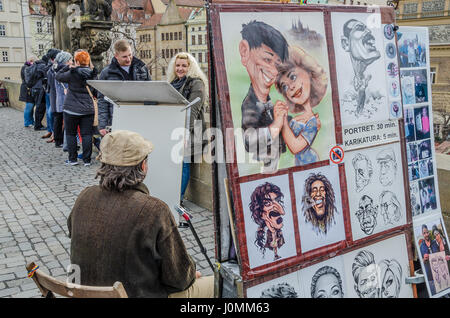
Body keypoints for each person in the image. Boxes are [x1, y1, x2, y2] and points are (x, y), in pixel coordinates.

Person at [67, 129, 214, 298]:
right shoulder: (154, 210)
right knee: (217, 284)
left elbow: (75, 234)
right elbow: (179, 279)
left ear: (104, 164)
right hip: (136, 294)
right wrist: (191, 272)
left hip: (86, 292)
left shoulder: (85, 196)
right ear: (143, 166)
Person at [239, 20, 290, 169]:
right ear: (244, 51)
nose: (274, 71)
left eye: (278, 64)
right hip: (262, 166)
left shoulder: (267, 101)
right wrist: (276, 124)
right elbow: (249, 140)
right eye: (267, 59)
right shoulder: (250, 103)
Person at [274, 46, 327, 166]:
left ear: (309, 72)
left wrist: (283, 123)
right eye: (285, 87)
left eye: (293, 77)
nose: (291, 87)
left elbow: (295, 147)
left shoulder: (313, 121)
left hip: (311, 164)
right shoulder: (295, 119)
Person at [167, 52, 208, 203]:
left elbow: (193, 111)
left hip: (190, 131)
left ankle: (178, 200)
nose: (180, 68)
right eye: (177, 65)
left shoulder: (196, 83)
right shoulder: (173, 83)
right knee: (173, 164)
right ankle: (170, 194)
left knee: (184, 164)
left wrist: (184, 133)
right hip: (173, 129)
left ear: (190, 67)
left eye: (184, 66)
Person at [97, 39, 151, 137]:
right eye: (124, 56)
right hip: (116, 118)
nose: (128, 59)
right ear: (116, 56)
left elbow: (150, 93)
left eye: (130, 55)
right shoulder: (106, 73)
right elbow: (102, 100)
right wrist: (102, 125)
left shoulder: (142, 69)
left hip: (139, 116)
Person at [56, 50, 98, 166]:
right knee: (87, 134)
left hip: (71, 109)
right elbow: (95, 92)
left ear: (77, 61)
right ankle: (87, 160)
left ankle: (73, 159)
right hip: (88, 109)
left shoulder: (72, 73)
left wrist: (67, 67)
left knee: (70, 134)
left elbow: (58, 76)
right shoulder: (92, 74)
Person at [341, 19, 381, 116]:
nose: (368, 31)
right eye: (359, 28)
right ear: (346, 43)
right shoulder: (345, 91)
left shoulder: (372, 78)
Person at [249, 182, 286, 261]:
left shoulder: (280, 233)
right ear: (260, 212)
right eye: (268, 203)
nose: (279, 209)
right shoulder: (261, 239)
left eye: (278, 201)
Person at [53, 51, 72, 148]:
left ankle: (59, 141)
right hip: (65, 98)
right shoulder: (64, 70)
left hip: (59, 99)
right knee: (66, 122)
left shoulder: (55, 69)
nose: (71, 61)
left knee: (59, 120)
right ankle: (65, 143)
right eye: (70, 60)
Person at [43, 48, 61, 140]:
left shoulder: (49, 65)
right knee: (51, 112)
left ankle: (51, 131)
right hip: (52, 91)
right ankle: (53, 132)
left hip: (49, 91)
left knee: (50, 111)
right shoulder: (52, 66)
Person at [419, 224, 440, 295]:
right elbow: (421, 262)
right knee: (434, 294)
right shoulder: (421, 246)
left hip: (439, 273)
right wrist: (424, 259)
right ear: (422, 234)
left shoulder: (434, 243)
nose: (426, 234)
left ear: (429, 232)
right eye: (424, 233)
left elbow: (439, 255)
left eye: (427, 232)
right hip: (430, 277)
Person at [20, 56, 36, 127]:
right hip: (27, 89)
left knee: (31, 106)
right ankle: (27, 122)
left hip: (28, 89)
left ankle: (31, 121)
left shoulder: (26, 67)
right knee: (29, 106)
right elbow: (28, 79)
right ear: (31, 61)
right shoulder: (25, 67)